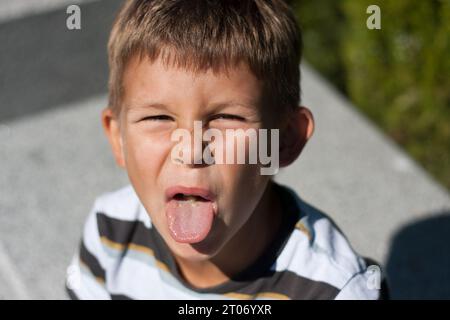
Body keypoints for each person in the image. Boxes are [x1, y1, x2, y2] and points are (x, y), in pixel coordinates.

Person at [66, 0, 384, 300]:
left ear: (285, 140)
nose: (191, 151)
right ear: (118, 137)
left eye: (226, 117)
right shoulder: (110, 233)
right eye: (159, 117)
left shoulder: (332, 289)